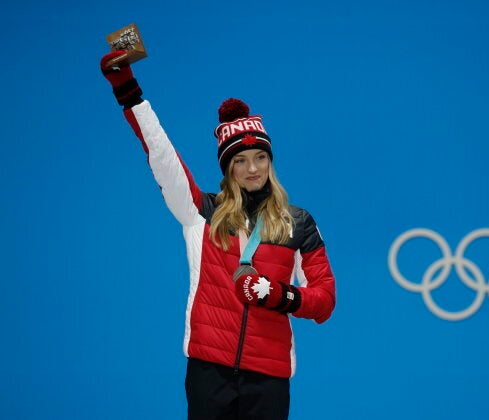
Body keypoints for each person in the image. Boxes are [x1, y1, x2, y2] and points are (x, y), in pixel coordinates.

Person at [100, 50, 336, 420]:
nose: (252, 168)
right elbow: (162, 157)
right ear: (227, 169)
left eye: (260, 157)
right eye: (239, 161)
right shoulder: (200, 213)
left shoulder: (298, 223)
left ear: (270, 161)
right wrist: (129, 94)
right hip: (209, 372)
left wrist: (278, 295)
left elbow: (324, 301)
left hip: (268, 379)